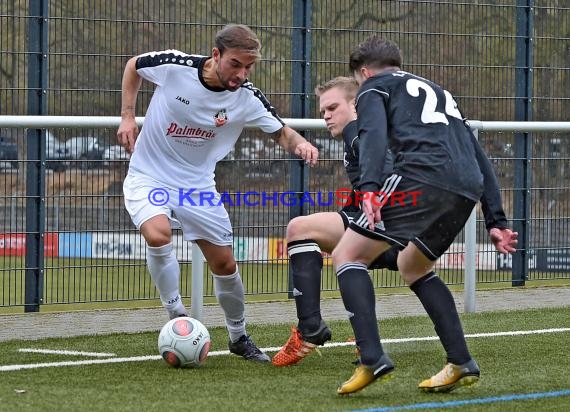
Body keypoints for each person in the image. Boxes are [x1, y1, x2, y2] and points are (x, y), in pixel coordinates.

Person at [272, 76, 518, 368]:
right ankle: (451, 358)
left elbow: (387, 172)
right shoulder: (384, 128)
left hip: (395, 226)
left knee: (301, 229)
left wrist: (375, 205)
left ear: (356, 104)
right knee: (412, 273)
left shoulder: (358, 132)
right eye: (322, 110)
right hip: (426, 219)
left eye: (332, 107)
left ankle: (312, 330)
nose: (325, 115)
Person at [116, 24, 318, 363]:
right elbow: (134, 65)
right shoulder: (175, 66)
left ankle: (238, 337)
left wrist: (301, 144)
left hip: (198, 187)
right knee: (157, 233)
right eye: (236, 64)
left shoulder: (246, 97)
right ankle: (177, 316)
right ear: (216, 55)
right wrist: (127, 117)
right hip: (148, 176)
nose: (242, 73)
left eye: (249, 67)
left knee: (224, 263)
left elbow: (281, 131)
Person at [331, 36, 517, 394]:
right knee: (413, 266)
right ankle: (460, 360)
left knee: (346, 254)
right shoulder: (441, 94)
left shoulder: (373, 87)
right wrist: (497, 220)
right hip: (464, 187)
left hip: (420, 176)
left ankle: (371, 358)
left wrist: (369, 186)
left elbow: (372, 135)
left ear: (365, 73)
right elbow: (478, 156)